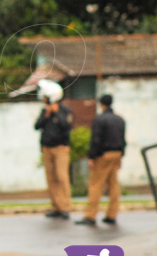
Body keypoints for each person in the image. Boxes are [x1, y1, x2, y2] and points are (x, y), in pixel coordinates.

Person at [77, 94, 126, 226]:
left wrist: (92, 156)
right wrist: (121, 156)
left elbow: (96, 140)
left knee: (95, 184)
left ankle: (90, 215)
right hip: (117, 154)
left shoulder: (100, 119)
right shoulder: (120, 119)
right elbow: (123, 139)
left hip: (103, 155)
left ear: (101, 104)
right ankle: (112, 214)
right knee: (113, 185)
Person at [34, 84, 74, 220]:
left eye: (45, 97)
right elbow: (36, 126)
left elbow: (67, 126)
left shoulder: (65, 110)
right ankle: (56, 206)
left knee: (62, 177)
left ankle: (65, 207)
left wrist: (56, 113)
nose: (44, 99)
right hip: (47, 148)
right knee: (50, 178)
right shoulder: (45, 110)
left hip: (61, 148)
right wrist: (47, 114)